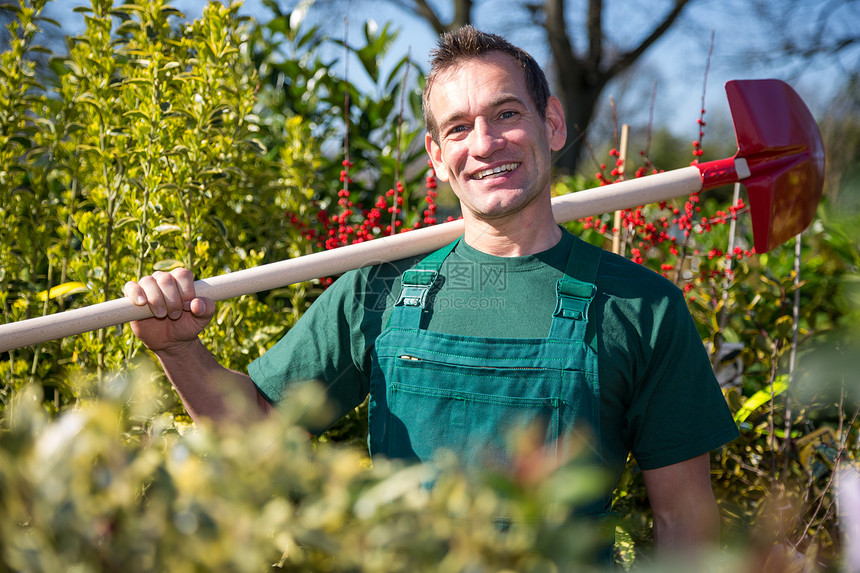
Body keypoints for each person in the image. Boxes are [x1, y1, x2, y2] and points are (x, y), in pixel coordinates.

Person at [124, 25, 738, 555]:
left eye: (506, 114)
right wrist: (178, 350)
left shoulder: (640, 307)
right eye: (458, 128)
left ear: (551, 123)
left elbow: (684, 520)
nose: (485, 144)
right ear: (438, 157)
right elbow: (255, 432)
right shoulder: (380, 289)